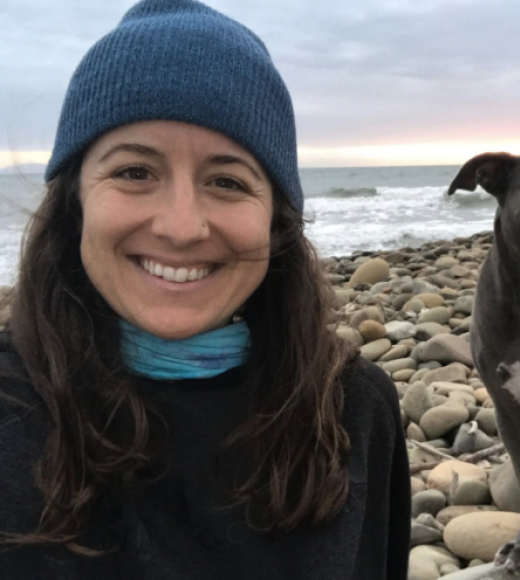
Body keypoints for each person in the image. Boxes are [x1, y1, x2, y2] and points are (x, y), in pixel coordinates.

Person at [0, 0, 411, 578]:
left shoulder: (351, 410)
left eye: (227, 181)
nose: (182, 226)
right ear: (75, 201)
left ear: (276, 219)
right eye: (135, 172)